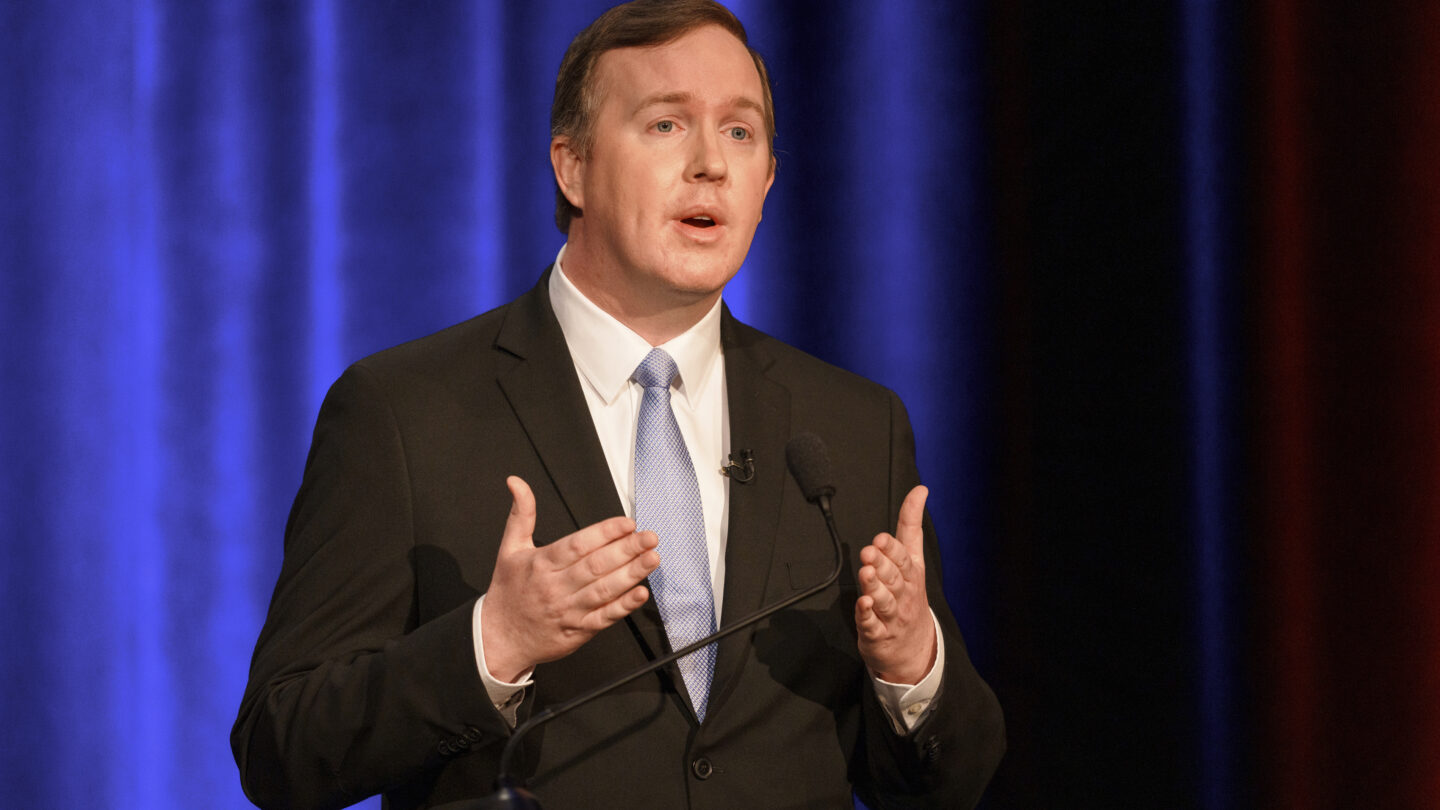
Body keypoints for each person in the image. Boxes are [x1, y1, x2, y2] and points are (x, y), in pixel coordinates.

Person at [232, 2, 1004, 808]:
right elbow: (282, 748)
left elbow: (951, 782)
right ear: (572, 168)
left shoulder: (852, 427)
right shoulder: (404, 413)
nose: (711, 163)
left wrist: (912, 668)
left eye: (740, 133)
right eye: (667, 125)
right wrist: (491, 644)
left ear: (769, 179)